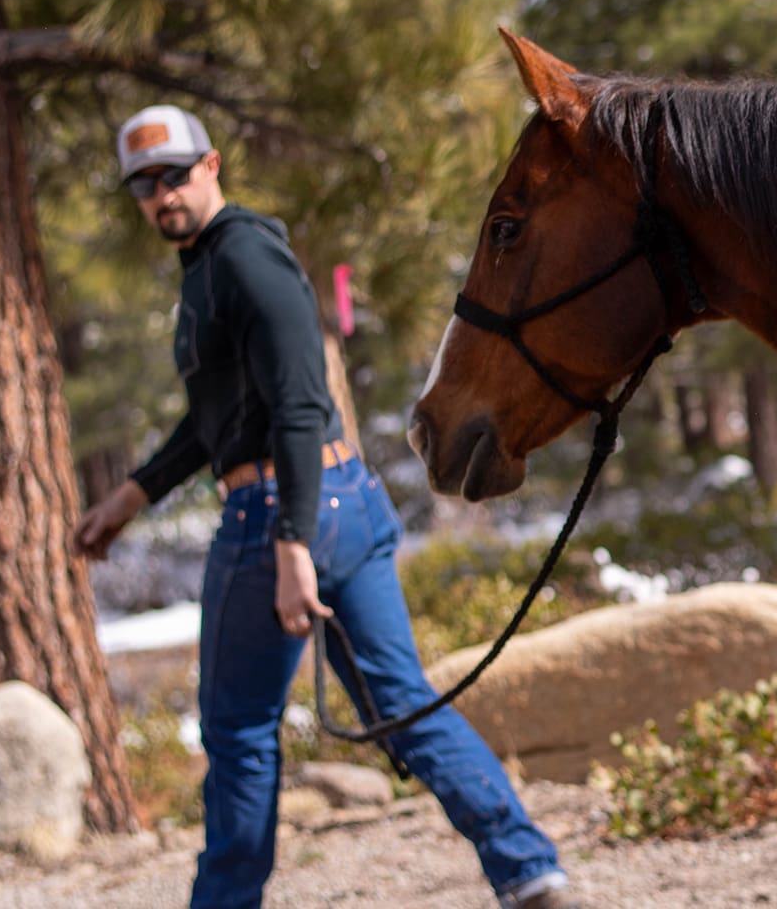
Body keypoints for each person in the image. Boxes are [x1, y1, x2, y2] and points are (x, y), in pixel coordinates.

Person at [72, 105, 580, 909]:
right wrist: (134, 494)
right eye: (143, 184)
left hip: (284, 513)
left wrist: (290, 544)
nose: (160, 194)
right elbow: (221, 413)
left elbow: (300, 405)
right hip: (341, 503)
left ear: (211, 167)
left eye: (173, 174)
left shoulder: (245, 258)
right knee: (402, 706)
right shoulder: (210, 264)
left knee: (239, 735)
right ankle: (527, 870)